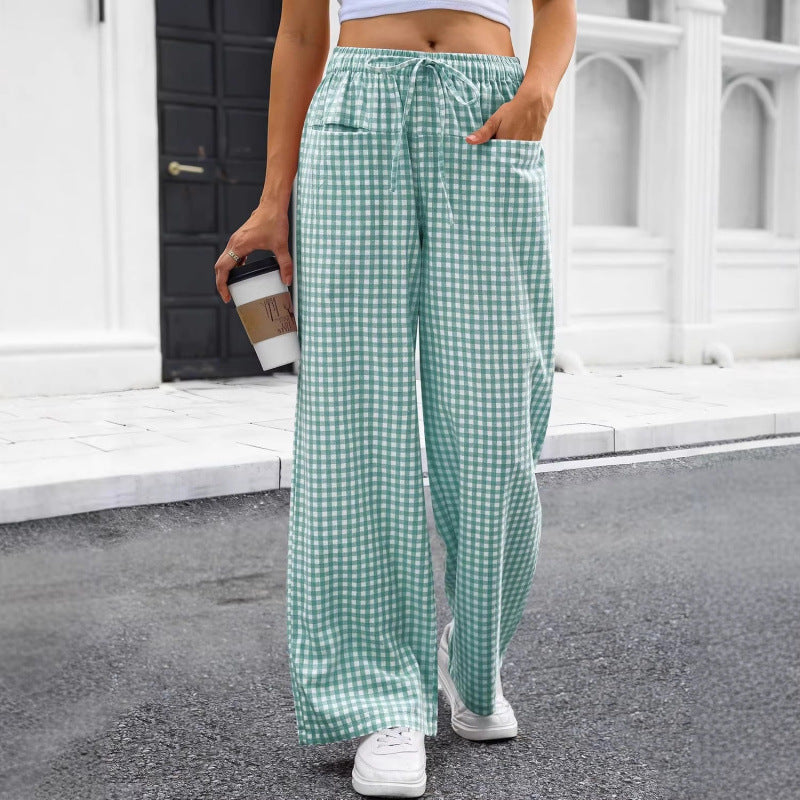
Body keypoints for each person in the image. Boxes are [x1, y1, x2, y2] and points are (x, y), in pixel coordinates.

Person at [214, 0, 576, 796]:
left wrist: (540, 89)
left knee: (497, 423)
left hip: (488, 116)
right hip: (355, 118)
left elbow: (557, 7)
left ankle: (471, 661)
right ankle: (384, 698)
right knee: (354, 422)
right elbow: (300, 31)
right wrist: (274, 200)